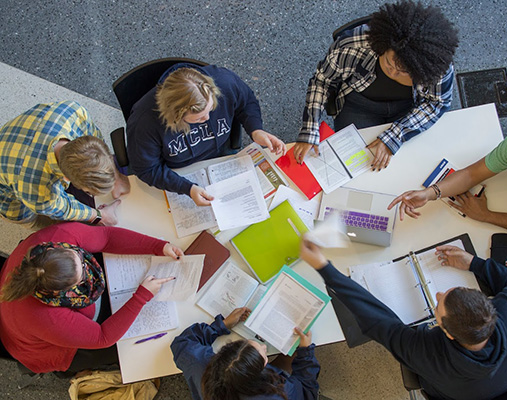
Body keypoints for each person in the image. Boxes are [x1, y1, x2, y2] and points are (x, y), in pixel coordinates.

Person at [300, 239, 507, 400]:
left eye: (438, 304)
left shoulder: (426, 353)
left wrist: (324, 268)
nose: (437, 294)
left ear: (446, 332)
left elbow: (377, 320)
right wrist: (474, 263)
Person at [0, 222, 184, 374]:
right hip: (36, 344)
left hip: (24, 313)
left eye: (79, 257)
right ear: (64, 293)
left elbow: (106, 237)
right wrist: (141, 296)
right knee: (124, 347)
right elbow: (103, 337)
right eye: (82, 276)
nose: (86, 264)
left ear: (60, 247)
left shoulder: (59, 235)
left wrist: (158, 246)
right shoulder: (46, 318)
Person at [294, 1, 459, 171]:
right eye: (389, 63)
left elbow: (436, 103)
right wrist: (310, 127)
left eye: (403, 72)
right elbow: (322, 81)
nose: (392, 73)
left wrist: (397, 134)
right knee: (354, 165)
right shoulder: (353, 45)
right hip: (358, 105)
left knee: (409, 166)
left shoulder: (435, 65)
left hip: (409, 108)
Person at [126, 63, 285, 207]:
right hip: (177, 171)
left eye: (211, 109)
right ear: (176, 116)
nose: (208, 119)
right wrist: (186, 188)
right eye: (199, 118)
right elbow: (147, 169)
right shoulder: (144, 122)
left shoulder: (224, 81)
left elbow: (246, 101)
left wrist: (256, 129)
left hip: (221, 153)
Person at [0, 101, 130, 227]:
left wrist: (115, 177)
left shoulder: (72, 111)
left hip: (14, 142)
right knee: (39, 222)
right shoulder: (36, 190)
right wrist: (99, 216)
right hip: (8, 195)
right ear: (66, 179)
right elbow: (63, 208)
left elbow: (95, 136)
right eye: (87, 191)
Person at [171, 307, 320, 400]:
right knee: (292, 353)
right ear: (259, 375)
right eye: (263, 356)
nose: (264, 347)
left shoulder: (200, 364)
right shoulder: (279, 393)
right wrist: (306, 351)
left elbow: (182, 343)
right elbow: (307, 391)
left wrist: (221, 325)